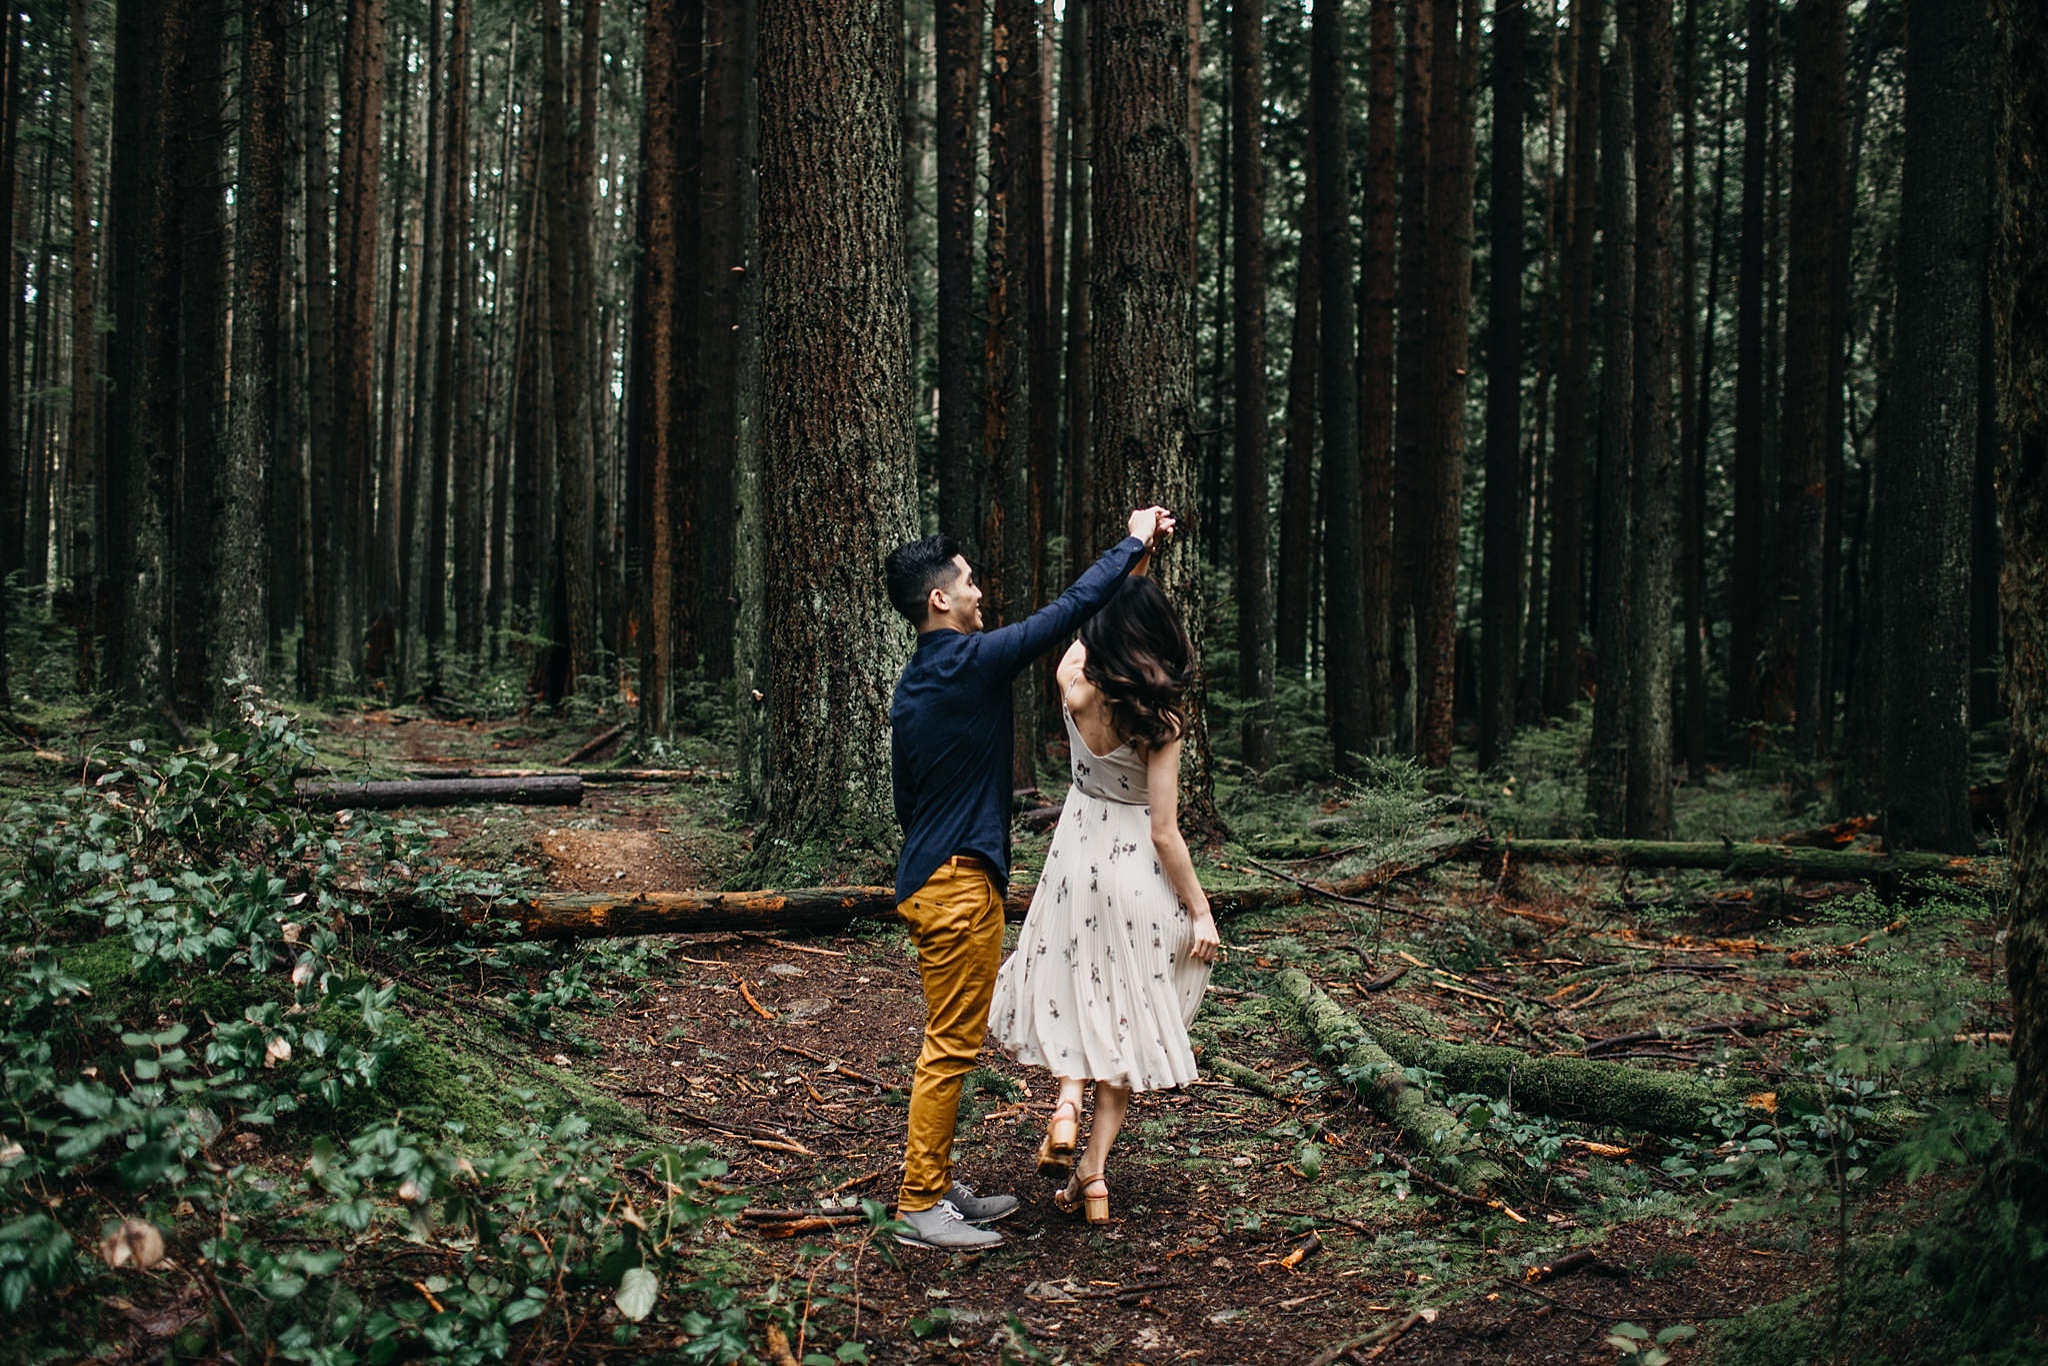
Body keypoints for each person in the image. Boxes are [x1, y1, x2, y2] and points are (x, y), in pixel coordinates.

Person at [883, 505, 1175, 1251]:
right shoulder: (971, 662)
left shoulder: (921, 679)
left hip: (930, 874)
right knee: (950, 1045)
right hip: (954, 886)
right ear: (939, 600)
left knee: (949, 1040)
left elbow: (905, 796)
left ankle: (938, 1183)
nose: (981, 592)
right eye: (970, 583)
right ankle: (921, 1205)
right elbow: (1070, 612)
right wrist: (1133, 541)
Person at [987, 565, 1219, 1224]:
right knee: (1125, 1009)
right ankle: (1093, 1176)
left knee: (1074, 983)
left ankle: (1065, 1104)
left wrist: (1124, 565)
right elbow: (1166, 832)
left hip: (1075, 851)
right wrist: (1199, 909)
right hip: (1134, 871)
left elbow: (1080, 639)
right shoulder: (1162, 719)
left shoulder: (1073, 686)